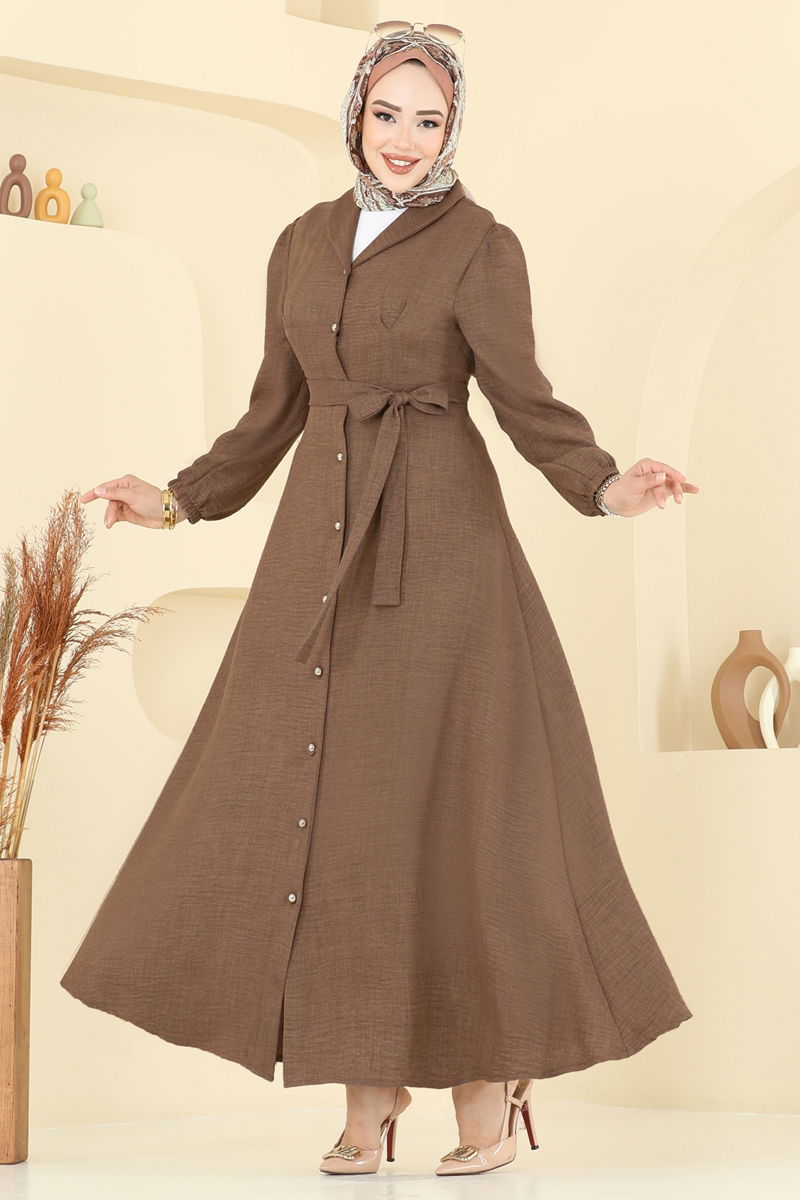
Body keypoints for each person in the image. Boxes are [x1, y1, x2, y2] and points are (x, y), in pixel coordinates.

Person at [64, 22, 698, 1179]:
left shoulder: (480, 245)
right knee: (336, 815)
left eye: (428, 120)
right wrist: (174, 499)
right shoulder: (302, 242)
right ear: (355, 111)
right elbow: (272, 411)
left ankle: (484, 1093)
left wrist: (606, 485)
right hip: (317, 544)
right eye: (386, 113)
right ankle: (367, 1091)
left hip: (442, 552)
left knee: (451, 820)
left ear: (453, 130)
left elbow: (523, 398)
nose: (403, 139)